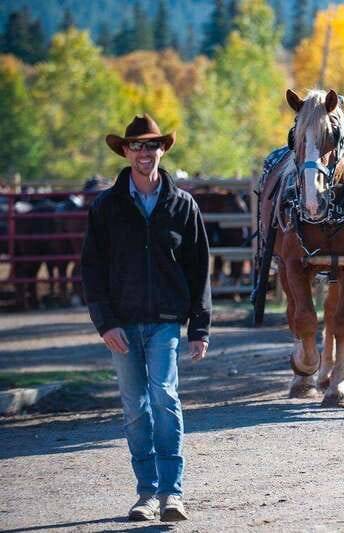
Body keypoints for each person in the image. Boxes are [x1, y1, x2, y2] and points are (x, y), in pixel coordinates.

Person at [81, 114, 211, 522]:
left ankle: (172, 493)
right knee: (135, 408)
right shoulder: (106, 207)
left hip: (166, 321)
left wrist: (200, 326)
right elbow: (92, 270)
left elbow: (199, 268)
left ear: (162, 150)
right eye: (136, 146)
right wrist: (105, 322)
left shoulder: (182, 204)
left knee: (164, 398)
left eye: (151, 145)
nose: (144, 153)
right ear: (124, 151)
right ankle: (146, 494)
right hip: (121, 323)